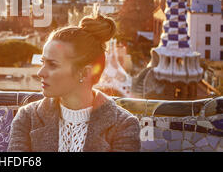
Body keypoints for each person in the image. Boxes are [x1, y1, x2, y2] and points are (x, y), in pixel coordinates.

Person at [8, 11, 141, 152]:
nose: (40, 73)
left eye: (52, 65)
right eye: (43, 62)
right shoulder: (27, 118)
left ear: (84, 72)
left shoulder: (123, 125)